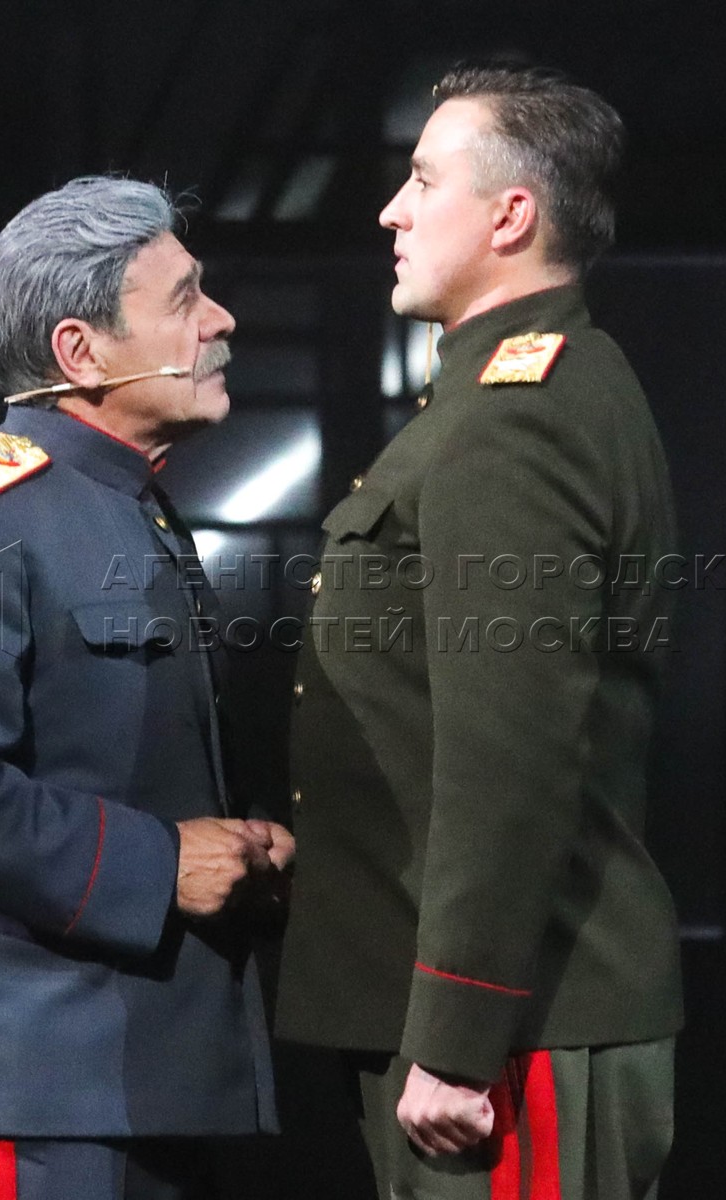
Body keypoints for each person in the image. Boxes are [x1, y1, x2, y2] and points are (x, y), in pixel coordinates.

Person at [276, 63, 683, 1199]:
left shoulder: (515, 419)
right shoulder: (506, 394)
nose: (389, 212)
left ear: (511, 216)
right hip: (500, 1015)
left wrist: (457, 1033)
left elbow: (511, 753)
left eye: (420, 181)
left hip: (511, 1030)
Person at [0, 175, 292, 1200]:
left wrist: (243, 852)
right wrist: (162, 864)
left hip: (154, 1085)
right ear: (81, 353)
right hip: (43, 1100)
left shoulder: (132, 509)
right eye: (184, 298)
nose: (221, 320)